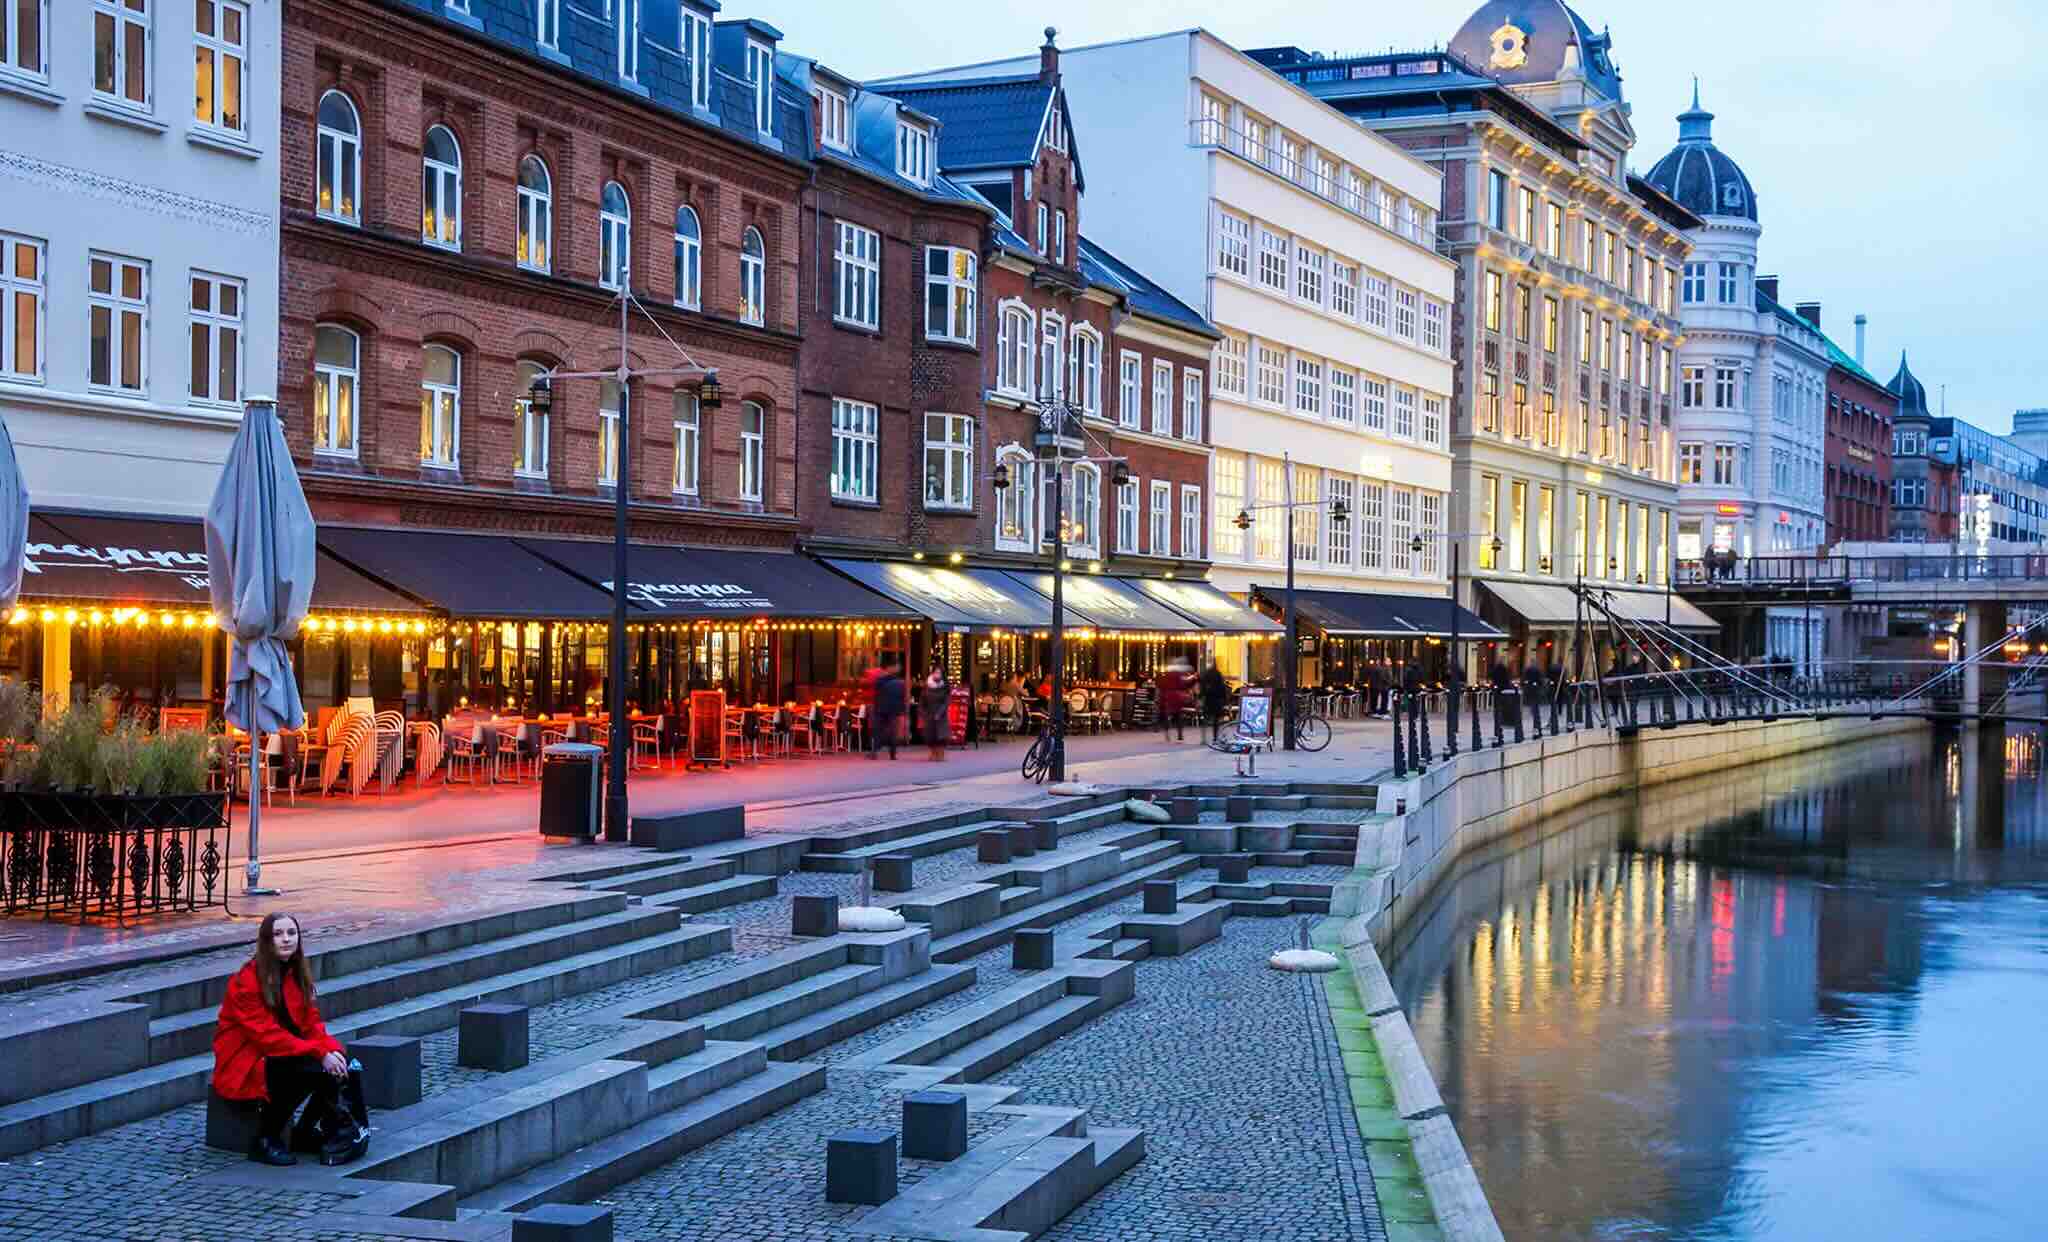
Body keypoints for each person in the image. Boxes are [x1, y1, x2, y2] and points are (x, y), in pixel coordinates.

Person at [211, 913, 365, 1167]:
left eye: (291, 933)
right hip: (249, 1057)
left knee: (340, 1063)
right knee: (310, 1068)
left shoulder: (295, 974)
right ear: (266, 941)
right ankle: (265, 1139)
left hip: (284, 1049)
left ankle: (304, 1133)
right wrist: (319, 1054)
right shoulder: (246, 980)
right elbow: (266, 1036)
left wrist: (330, 1051)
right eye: (278, 934)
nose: (286, 939)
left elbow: (311, 1023)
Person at [870, 660, 906, 760]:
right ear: (890, 668)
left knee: (881, 731)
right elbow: (901, 697)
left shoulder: (882, 680)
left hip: (885, 709)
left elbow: (900, 696)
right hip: (888, 709)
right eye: (897, 667)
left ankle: (878, 751)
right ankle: (890, 753)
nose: (899, 669)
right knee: (890, 731)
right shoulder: (897, 682)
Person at [920, 663, 951, 761]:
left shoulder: (945, 686)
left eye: (939, 672)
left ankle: (940, 753)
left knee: (941, 735)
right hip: (929, 713)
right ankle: (933, 753)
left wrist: (939, 713)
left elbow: (946, 701)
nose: (937, 674)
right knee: (930, 735)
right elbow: (922, 700)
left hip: (940, 715)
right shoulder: (927, 685)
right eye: (935, 672)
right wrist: (922, 712)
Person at [1158, 660, 1191, 743]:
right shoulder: (1178, 675)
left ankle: (1167, 733)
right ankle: (1180, 735)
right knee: (1179, 716)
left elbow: (1161, 685)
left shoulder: (1166, 675)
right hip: (1177, 697)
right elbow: (1183, 685)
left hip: (1168, 696)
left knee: (1167, 715)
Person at [1198, 662, 1228, 743]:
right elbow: (1223, 688)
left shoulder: (1206, 676)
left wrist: (1200, 698)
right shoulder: (1218, 675)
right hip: (1217, 701)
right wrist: (1226, 701)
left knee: (1204, 719)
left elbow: (1202, 689)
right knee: (1216, 720)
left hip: (1208, 700)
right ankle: (1215, 737)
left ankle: (1203, 739)